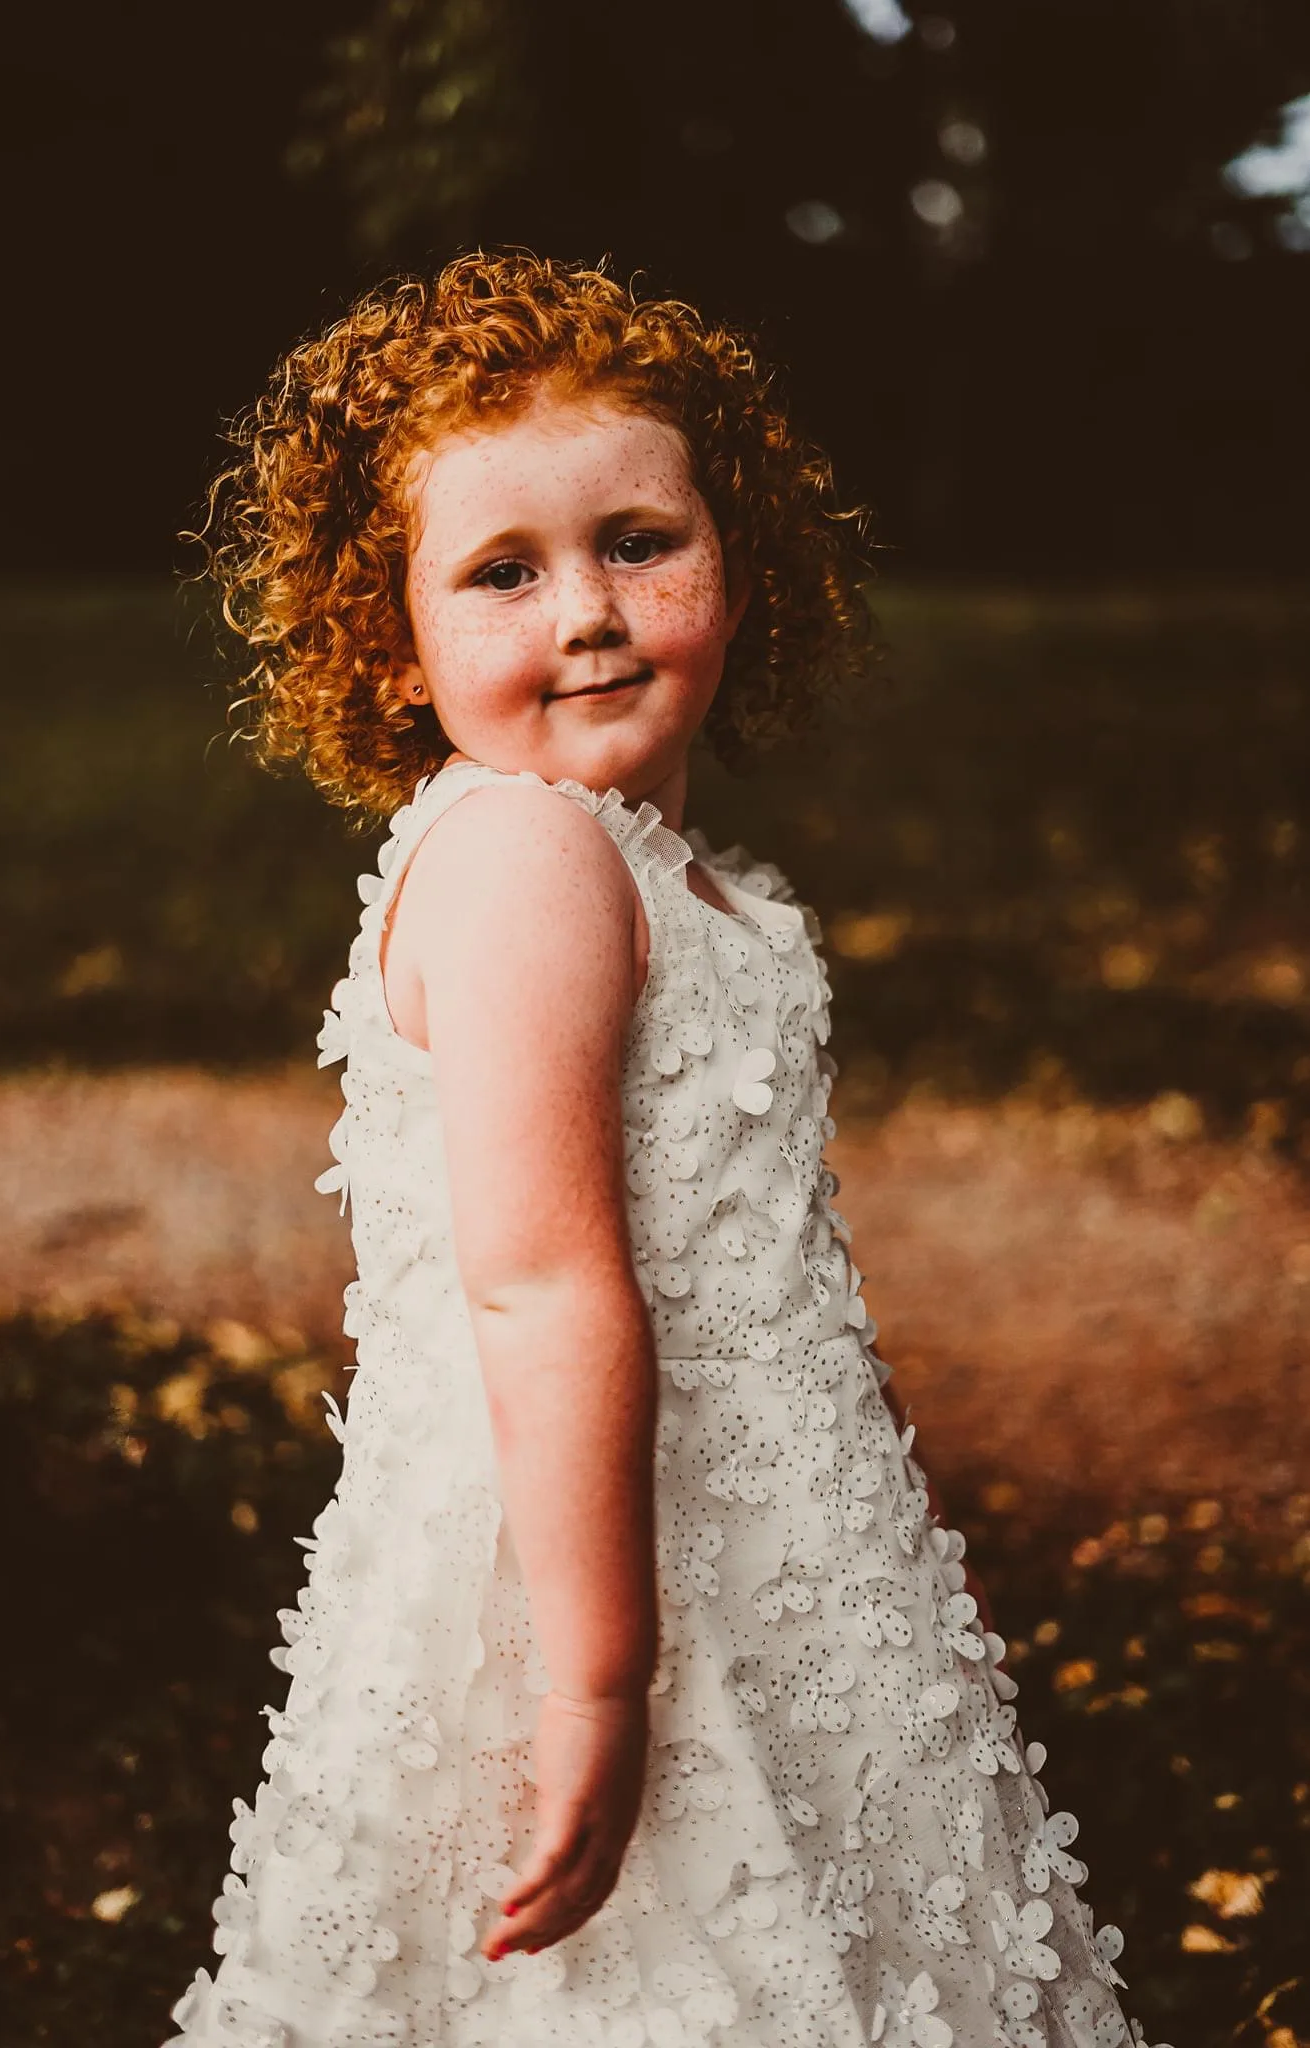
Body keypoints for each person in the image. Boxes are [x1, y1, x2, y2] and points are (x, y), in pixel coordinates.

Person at [166, 250, 1169, 2048]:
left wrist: (873, 1519)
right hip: (577, 1566)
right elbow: (541, 1278)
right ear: (386, 640)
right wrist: (602, 1688)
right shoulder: (530, 861)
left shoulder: (681, 880)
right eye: (503, 571)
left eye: (640, 540)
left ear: (741, 557)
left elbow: (774, 1277)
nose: (590, 612)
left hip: (753, 1520)